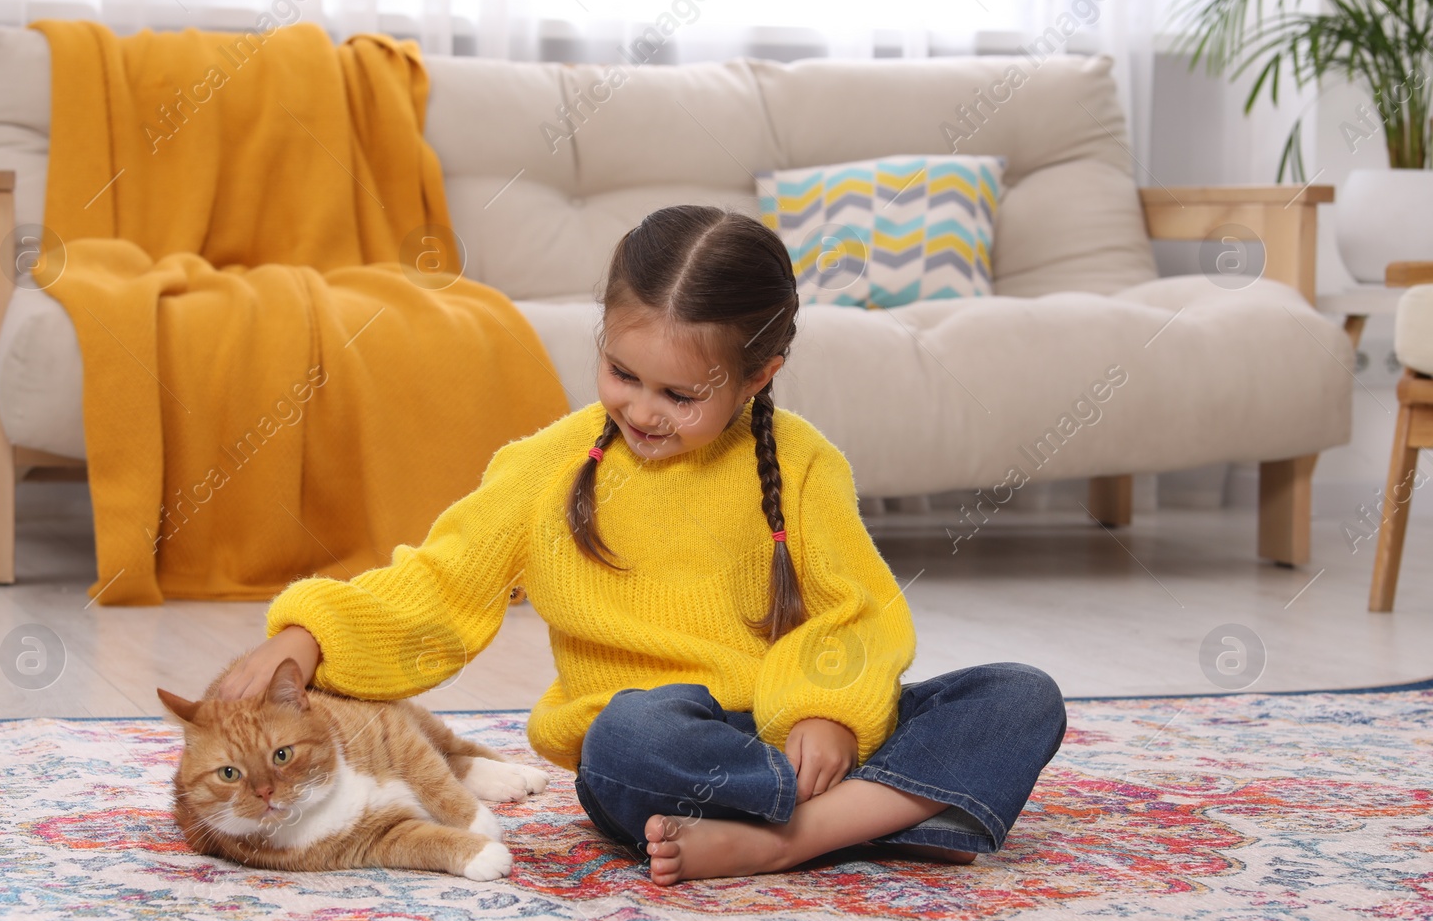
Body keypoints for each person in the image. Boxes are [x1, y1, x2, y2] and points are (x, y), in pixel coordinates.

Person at [220, 204, 1066, 885]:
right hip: (668, 754)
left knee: (1019, 694)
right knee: (626, 737)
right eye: (624, 374)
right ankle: (885, 816)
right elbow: (436, 589)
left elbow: (856, 613)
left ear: (759, 373)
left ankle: (781, 841)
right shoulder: (541, 469)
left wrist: (824, 712)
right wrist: (310, 634)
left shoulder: (808, 466)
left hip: (802, 735)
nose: (644, 410)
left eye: (680, 392)